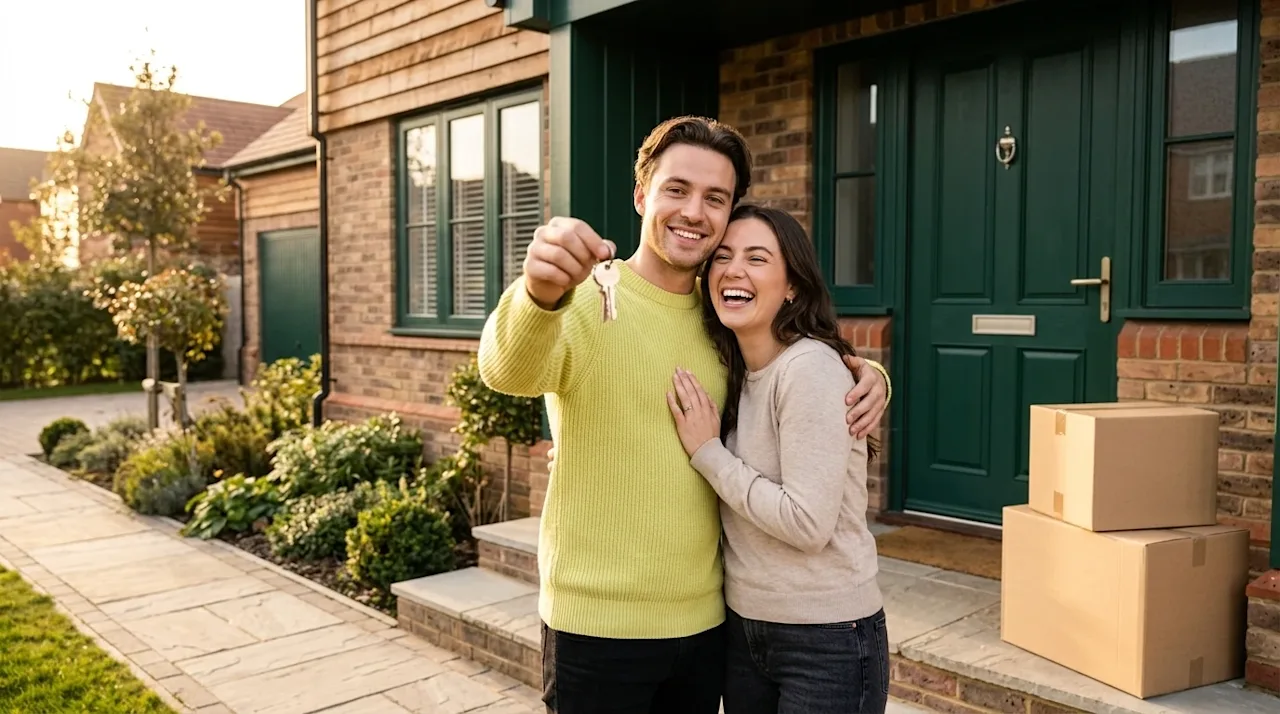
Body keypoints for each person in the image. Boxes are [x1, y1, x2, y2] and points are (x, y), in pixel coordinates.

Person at [477, 115, 891, 714]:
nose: (694, 211)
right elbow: (507, 372)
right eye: (677, 190)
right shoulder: (589, 296)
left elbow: (805, 364)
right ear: (642, 194)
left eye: (715, 198)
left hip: (708, 626)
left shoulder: (723, 315)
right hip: (597, 626)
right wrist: (537, 293)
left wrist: (873, 376)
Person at [667, 203, 889, 714]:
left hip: (826, 639)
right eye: (722, 256)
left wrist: (708, 454)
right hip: (746, 630)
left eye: (757, 258)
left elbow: (807, 523)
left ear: (792, 285)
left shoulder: (807, 368)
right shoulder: (734, 369)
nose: (734, 270)